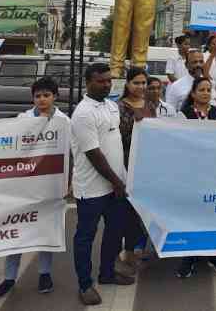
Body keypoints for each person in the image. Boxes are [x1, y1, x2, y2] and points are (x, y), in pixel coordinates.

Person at [0, 78, 67, 298]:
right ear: (32, 98)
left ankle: (45, 274)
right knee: (16, 231)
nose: (42, 99)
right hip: (23, 185)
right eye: (38, 96)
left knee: (46, 231)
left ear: (55, 96)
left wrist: (68, 181)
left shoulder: (64, 121)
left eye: (46, 95)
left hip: (50, 185)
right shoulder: (22, 119)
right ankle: (9, 278)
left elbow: (68, 154)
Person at [71, 63, 134, 306]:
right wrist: (117, 181)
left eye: (109, 80)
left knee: (115, 231)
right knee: (85, 236)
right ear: (88, 82)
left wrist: (121, 179)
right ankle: (85, 284)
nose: (106, 84)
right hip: (92, 188)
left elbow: (115, 142)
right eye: (101, 81)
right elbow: (94, 154)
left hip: (115, 186)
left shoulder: (111, 106)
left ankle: (107, 273)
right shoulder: (83, 113)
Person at [175, 77, 216, 277]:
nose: (206, 93)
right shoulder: (184, 114)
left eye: (208, 89)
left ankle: (212, 255)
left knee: (211, 216)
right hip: (192, 172)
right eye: (201, 89)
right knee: (191, 216)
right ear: (193, 94)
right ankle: (189, 258)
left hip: (213, 172)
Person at [117, 68, 154, 274]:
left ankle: (138, 250)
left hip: (146, 166)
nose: (140, 87)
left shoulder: (149, 106)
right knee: (127, 214)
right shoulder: (120, 107)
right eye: (136, 83)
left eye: (143, 83)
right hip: (127, 165)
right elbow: (119, 140)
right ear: (127, 84)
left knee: (144, 211)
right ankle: (127, 254)